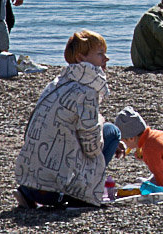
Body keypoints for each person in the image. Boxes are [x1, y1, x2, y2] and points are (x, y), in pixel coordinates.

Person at [14, 30, 123, 209]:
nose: (106, 59)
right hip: (56, 190)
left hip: (29, 180)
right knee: (112, 132)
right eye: (100, 54)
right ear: (81, 58)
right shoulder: (87, 92)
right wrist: (105, 140)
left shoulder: (57, 83)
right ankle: (81, 195)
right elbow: (91, 147)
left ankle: (30, 192)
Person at [113, 106, 163, 192]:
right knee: (145, 184)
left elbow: (160, 174)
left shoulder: (150, 148)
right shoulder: (153, 135)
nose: (123, 144)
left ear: (131, 138)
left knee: (147, 190)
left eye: (123, 141)